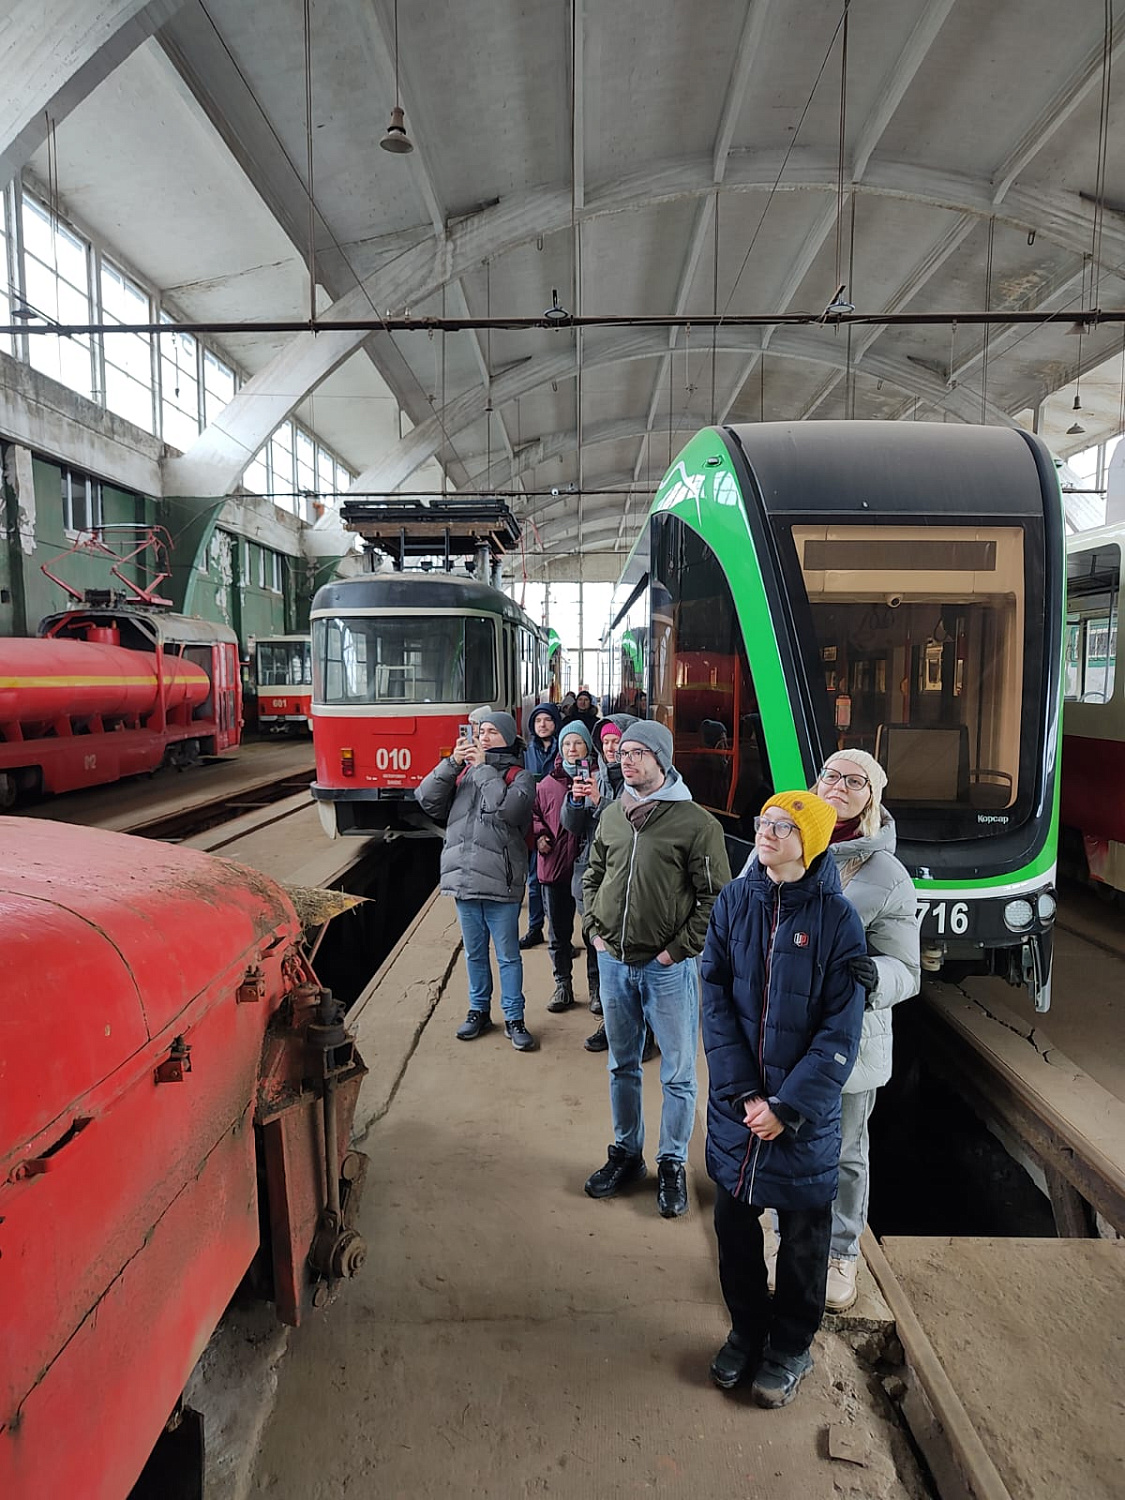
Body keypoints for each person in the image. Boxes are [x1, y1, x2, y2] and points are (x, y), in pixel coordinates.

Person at [701, 791, 866, 1408]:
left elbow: (838, 1031)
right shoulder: (735, 901)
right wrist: (746, 1094)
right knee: (734, 1226)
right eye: (764, 822)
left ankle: (790, 1345)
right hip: (738, 1110)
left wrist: (787, 1107)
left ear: (812, 841)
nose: (764, 832)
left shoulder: (838, 919)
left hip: (802, 1119)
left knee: (802, 1239)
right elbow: (713, 996)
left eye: (782, 826)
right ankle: (746, 1330)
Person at [582, 721, 731, 1218]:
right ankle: (627, 1154)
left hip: (667, 970)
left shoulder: (695, 823)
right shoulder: (612, 816)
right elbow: (592, 873)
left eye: (640, 752)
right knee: (621, 1065)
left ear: (663, 761)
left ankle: (671, 1162)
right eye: (624, 752)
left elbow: (715, 899)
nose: (628, 760)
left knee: (679, 1073)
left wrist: (677, 951)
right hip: (614, 963)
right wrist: (594, 930)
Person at [810, 750, 920, 1311]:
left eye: (855, 782)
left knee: (847, 1150)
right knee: (786, 1138)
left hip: (852, 1038)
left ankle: (840, 1252)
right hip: (785, 1033)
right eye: (832, 776)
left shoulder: (887, 874)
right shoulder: (788, 846)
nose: (840, 787)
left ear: (872, 798)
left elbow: (909, 970)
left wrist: (873, 975)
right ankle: (786, 1234)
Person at [416, 708, 538, 1052]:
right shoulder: (462, 774)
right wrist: (452, 764)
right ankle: (478, 1011)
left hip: (501, 881)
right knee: (474, 954)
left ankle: (514, 1018)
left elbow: (509, 811)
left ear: (507, 738)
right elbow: (426, 799)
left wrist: (483, 768)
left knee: (508, 955)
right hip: (465, 878)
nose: (482, 737)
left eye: (491, 732)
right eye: (480, 732)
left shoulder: (520, 777)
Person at [562, 714, 641, 1048]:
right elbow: (573, 827)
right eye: (605, 742)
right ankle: (608, 1018)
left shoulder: (640, 780)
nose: (610, 748)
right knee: (598, 946)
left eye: (616, 742)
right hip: (593, 874)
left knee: (630, 954)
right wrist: (576, 801)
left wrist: (599, 801)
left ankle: (639, 1029)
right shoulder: (593, 775)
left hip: (627, 876)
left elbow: (636, 820)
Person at [532, 720, 594, 1012]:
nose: (572, 749)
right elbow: (534, 816)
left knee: (594, 933)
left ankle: (596, 990)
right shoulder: (546, 784)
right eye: (567, 744)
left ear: (587, 747)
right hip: (555, 868)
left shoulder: (597, 780)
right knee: (558, 932)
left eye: (577, 743)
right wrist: (540, 836)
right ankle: (563, 986)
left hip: (591, 870)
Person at [520, 702, 563, 950]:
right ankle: (535, 929)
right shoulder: (526, 753)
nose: (543, 725)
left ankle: (558, 934)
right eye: (538, 721)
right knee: (535, 881)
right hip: (536, 824)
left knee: (560, 886)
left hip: (561, 824)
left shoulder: (564, 748)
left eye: (547, 720)